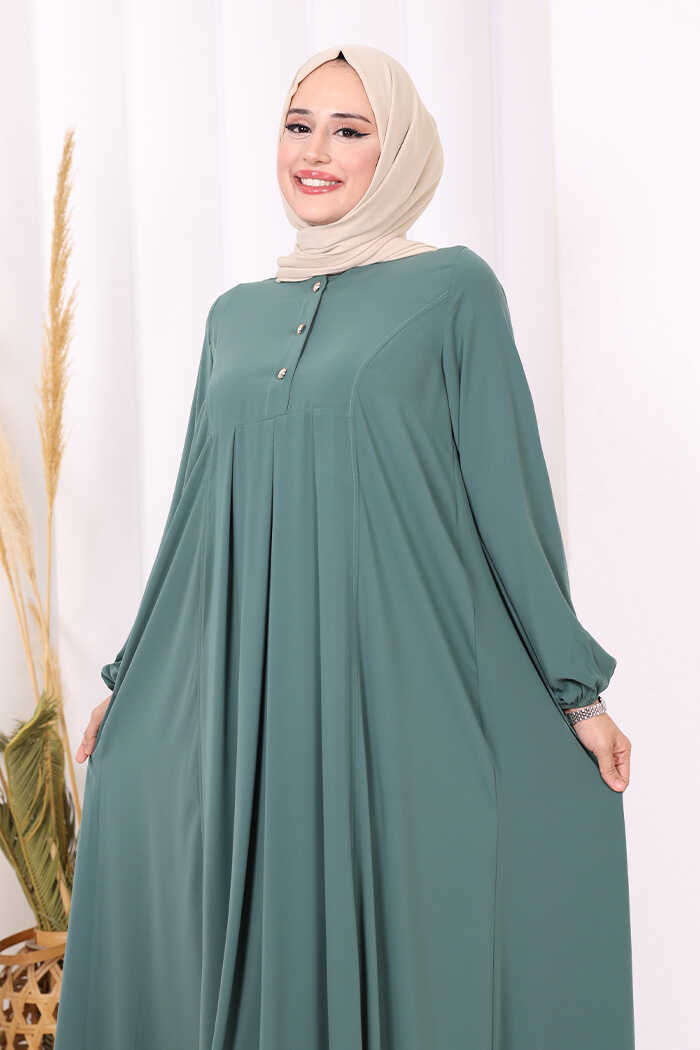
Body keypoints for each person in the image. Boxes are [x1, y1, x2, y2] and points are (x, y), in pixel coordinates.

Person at [56, 43, 634, 1050]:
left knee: (421, 932)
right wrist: (132, 677)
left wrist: (574, 694)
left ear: (395, 151)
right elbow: (195, 511)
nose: (315, 152)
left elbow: (508, 501)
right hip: (257, 696)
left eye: (349, 130)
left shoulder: (454, 291)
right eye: (298, 125)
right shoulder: (235, 318)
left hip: (398, 693)